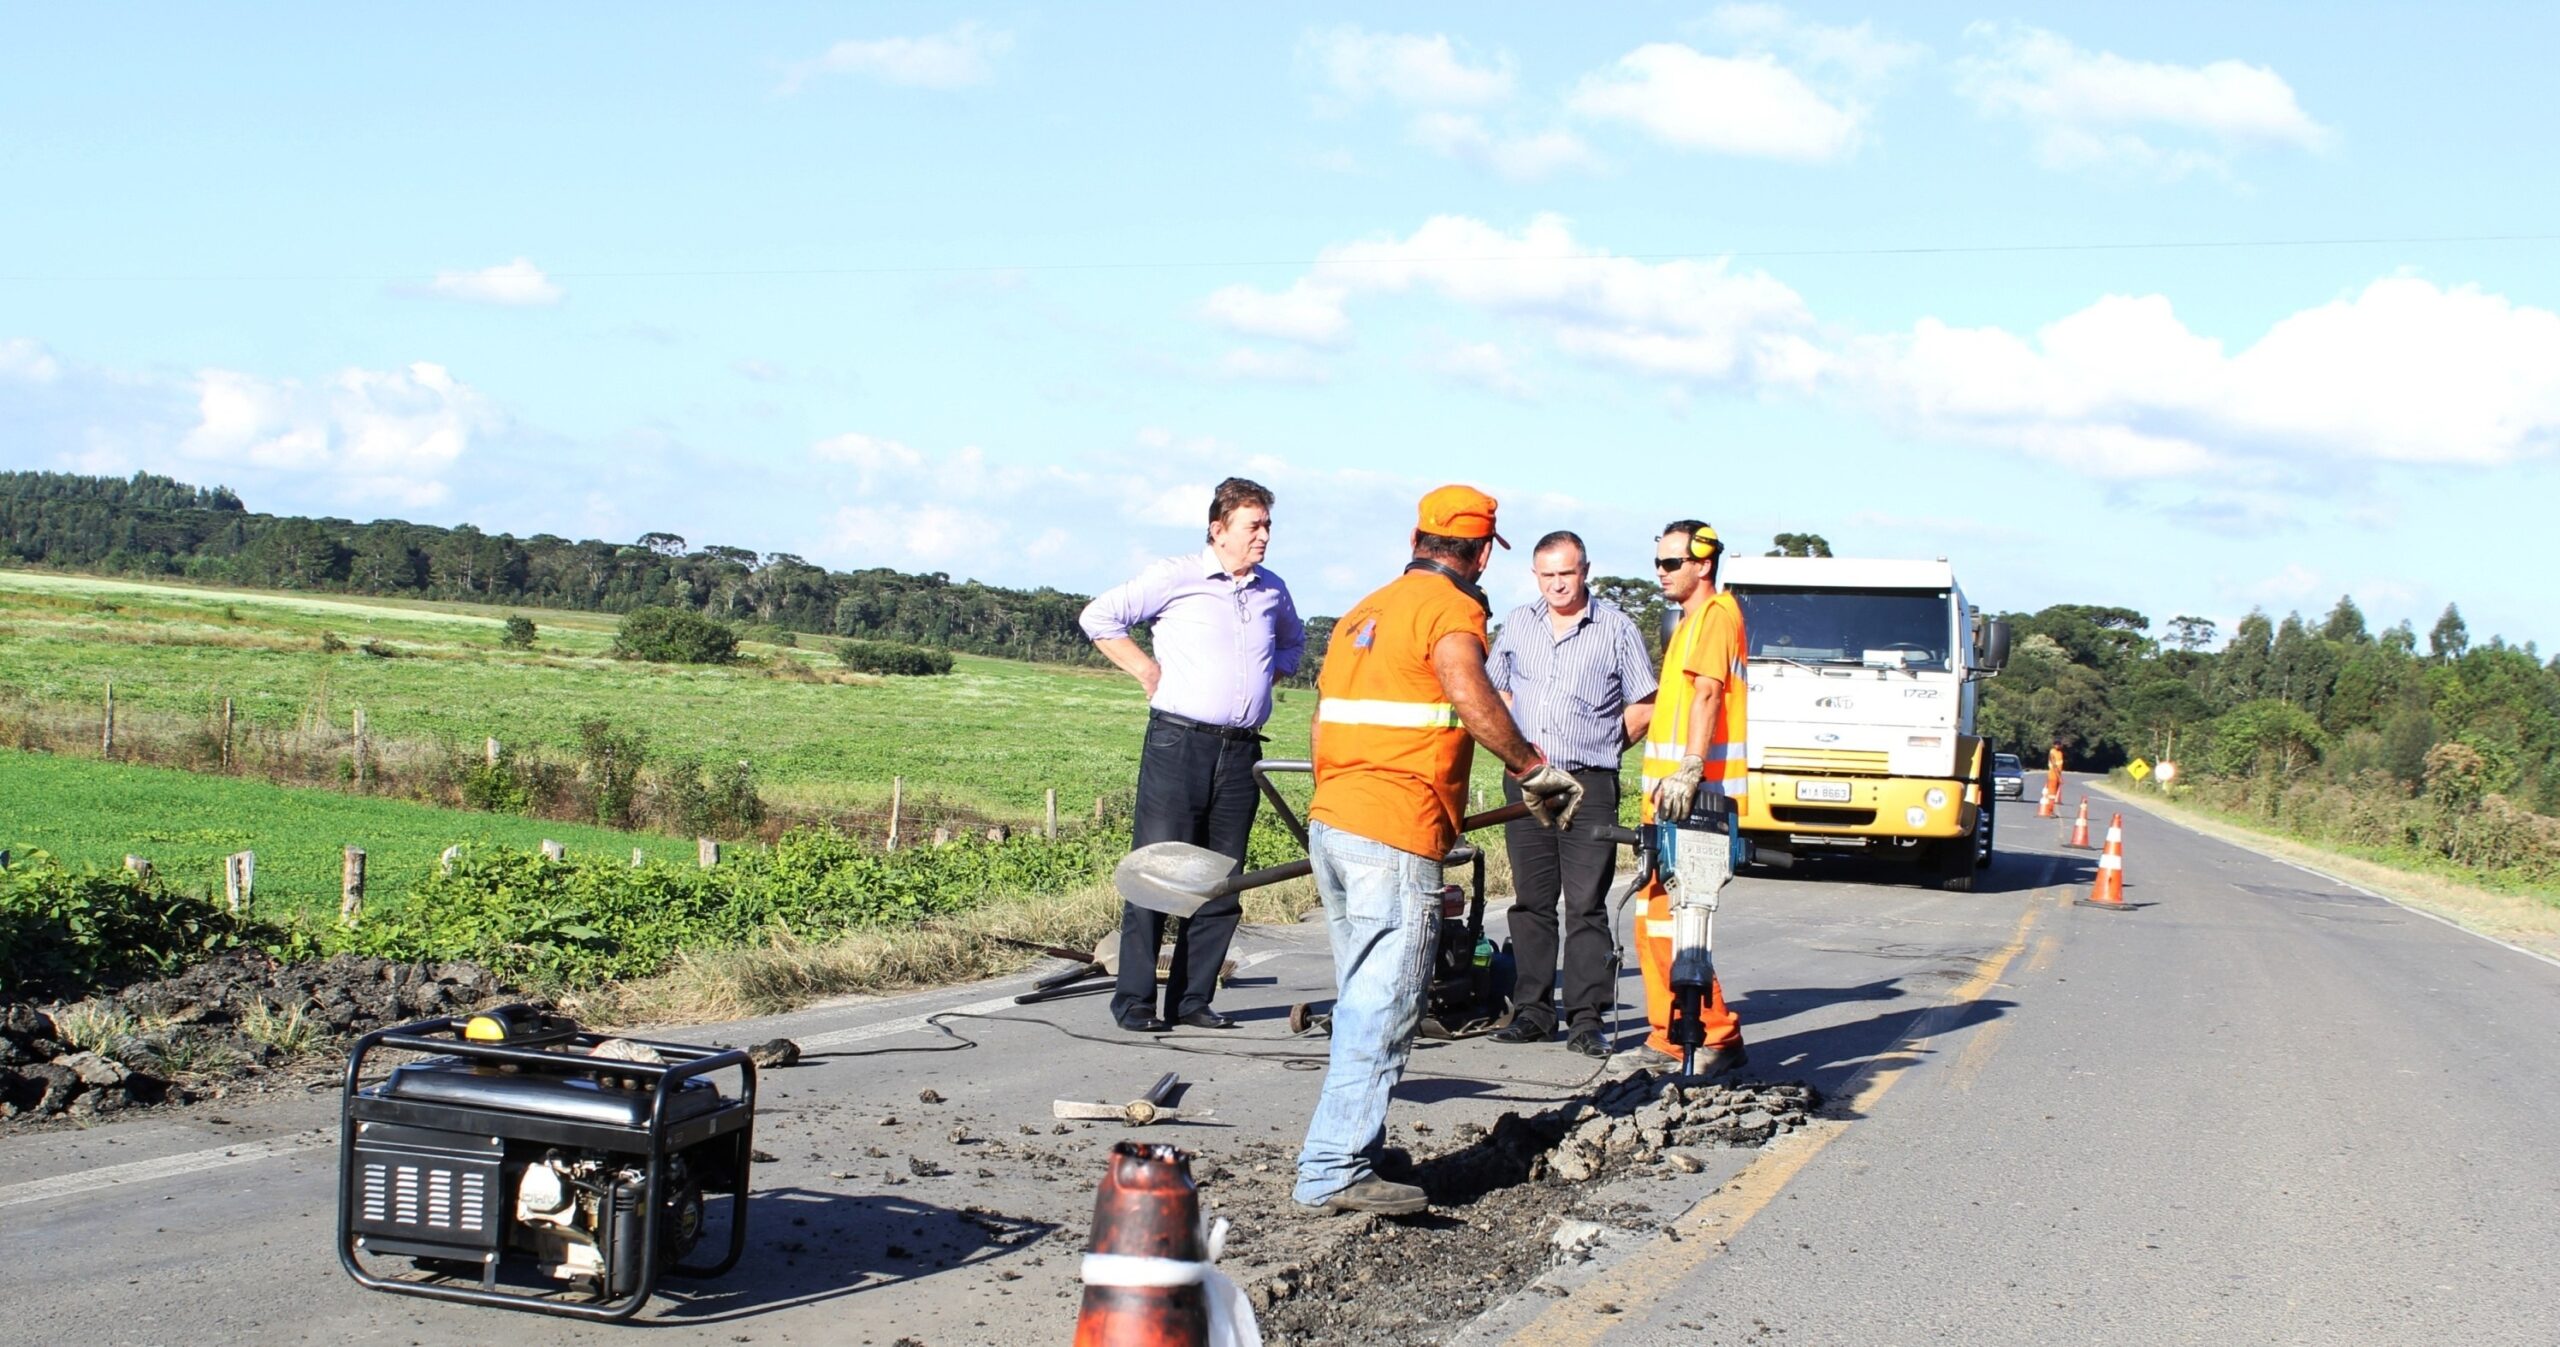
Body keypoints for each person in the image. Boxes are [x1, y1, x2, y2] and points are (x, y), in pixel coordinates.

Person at [1293, 485, 1587, 1216]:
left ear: (1420, 537)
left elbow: (1323, 720)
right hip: (1393, 828)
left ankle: (1355, 1147)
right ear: (1483, 551)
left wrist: (1337, 803)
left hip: (1336, 819)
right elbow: (1468, 688)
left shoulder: (1366, 607)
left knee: (1364, 994)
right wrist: (1533, 769)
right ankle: (1332, 1168)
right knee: (1383, 1005)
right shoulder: (1452, 611)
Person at [1080, 477, 1303, 1033]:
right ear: (1218, 528)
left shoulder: (1272, 589)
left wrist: (1270, 672)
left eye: (1268, 526)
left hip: (1241, 752)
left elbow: (1295, 643)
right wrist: (1146, 670)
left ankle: (1192, 1000)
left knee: (1220, 881)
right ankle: (1134, 1002)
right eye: (1254, 526)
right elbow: (1098, 618)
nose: (1264, 537)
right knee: (1156, 874)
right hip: (1179, 742)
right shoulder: (1175, 575)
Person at [1485, 530, 1657, 1058]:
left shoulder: (1616, 628)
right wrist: (1519, 748)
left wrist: (1603, 744)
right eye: (1548, 575)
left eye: (1567, 573)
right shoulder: (1517, 623)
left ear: (1585, 571)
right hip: (1529, 780)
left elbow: (1644, 704)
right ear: (1535, 575)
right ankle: (1533, 1010)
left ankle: (1586, 1018)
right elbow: (1497, 689)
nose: (1558, 584)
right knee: (1532, 902)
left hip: (1590, 782)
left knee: (1585, 905)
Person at [1631, 520, 1750, 1076]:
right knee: (1656, 919)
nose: (1661, 572)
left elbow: (1707, 694)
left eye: (1671, 562)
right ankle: (1671, 1032)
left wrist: (1690, 769)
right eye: (1657, 562)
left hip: (1694, 798)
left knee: (1682, 920)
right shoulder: (1690, 621)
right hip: (1672, 796)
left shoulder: (1715, 617)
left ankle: (1709, 1035)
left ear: (1703, 564)